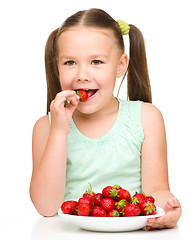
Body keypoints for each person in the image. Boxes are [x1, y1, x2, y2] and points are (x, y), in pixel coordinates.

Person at [30, 8, 181, 229]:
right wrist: (59, 132)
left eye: (97, 62)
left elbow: (156, 190)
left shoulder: (147, 117)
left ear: (120, 65)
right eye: (70, 62)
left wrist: (167, 209)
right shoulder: (46, 127)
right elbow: (45, 207)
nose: (82, 74)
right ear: (57, 66)